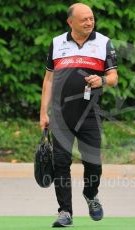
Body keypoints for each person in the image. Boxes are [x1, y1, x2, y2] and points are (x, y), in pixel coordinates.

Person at [39, 3, 118, 228]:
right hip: (61, 116)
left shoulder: (104, 43)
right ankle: (65, 212)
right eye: (84, 19)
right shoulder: (56, 43)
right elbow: (49, 80)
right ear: (70, 22)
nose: (89, 22)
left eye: (91, 18)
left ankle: (91, 194)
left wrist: (101, 80)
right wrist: (43, 112)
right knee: (60, 163)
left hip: (90, 114)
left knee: (93, 163)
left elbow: (113, 77)